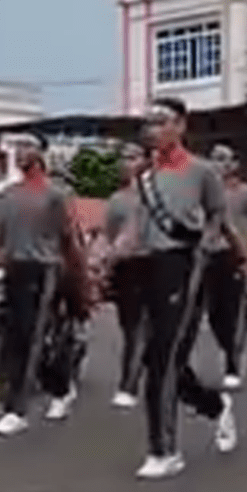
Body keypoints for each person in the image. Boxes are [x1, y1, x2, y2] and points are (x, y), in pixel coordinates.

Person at [131, 97, 237, 480]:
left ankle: (163, 451)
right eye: (150, 123)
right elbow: (135, 226)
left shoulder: (201, 171)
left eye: (162, 121)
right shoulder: (144, 176)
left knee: (165, 357)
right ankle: (214, 405)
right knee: (153, 356)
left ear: (180, 125)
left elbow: (217, 213)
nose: (154, 129)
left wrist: (209, 243)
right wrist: (107, 255)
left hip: (185, 264)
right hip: (149, 266)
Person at [0, 132, 88, 437]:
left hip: (45, 269)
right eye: (17, 146)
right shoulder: (6, 195)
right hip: (14, 269)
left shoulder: (56, 194)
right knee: (15, 337)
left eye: (27, 146)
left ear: (40, 153)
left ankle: (16, 411)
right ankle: (61, 388)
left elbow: (69, 239)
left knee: (31, 337)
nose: (20, 152)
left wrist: (81, 278)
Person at [206, 144, 247, 390]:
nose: (218, 164)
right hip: (208, 256)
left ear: (234, 164)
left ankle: (232, 364)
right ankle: (229, 348)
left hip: (234, 255)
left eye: (223, 159)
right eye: (214, 159)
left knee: (233, 311)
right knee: (214, 314)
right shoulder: (203, 192)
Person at [105, 141, 150, 409]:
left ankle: (129, 384)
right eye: (123, 158)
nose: (127, 163)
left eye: (133, 157)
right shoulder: (116, 200)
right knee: (132, 328)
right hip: (128, 268)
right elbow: (109, 236)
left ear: (144, 161)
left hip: (156, 263)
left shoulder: (157, 194)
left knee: (147, 329)